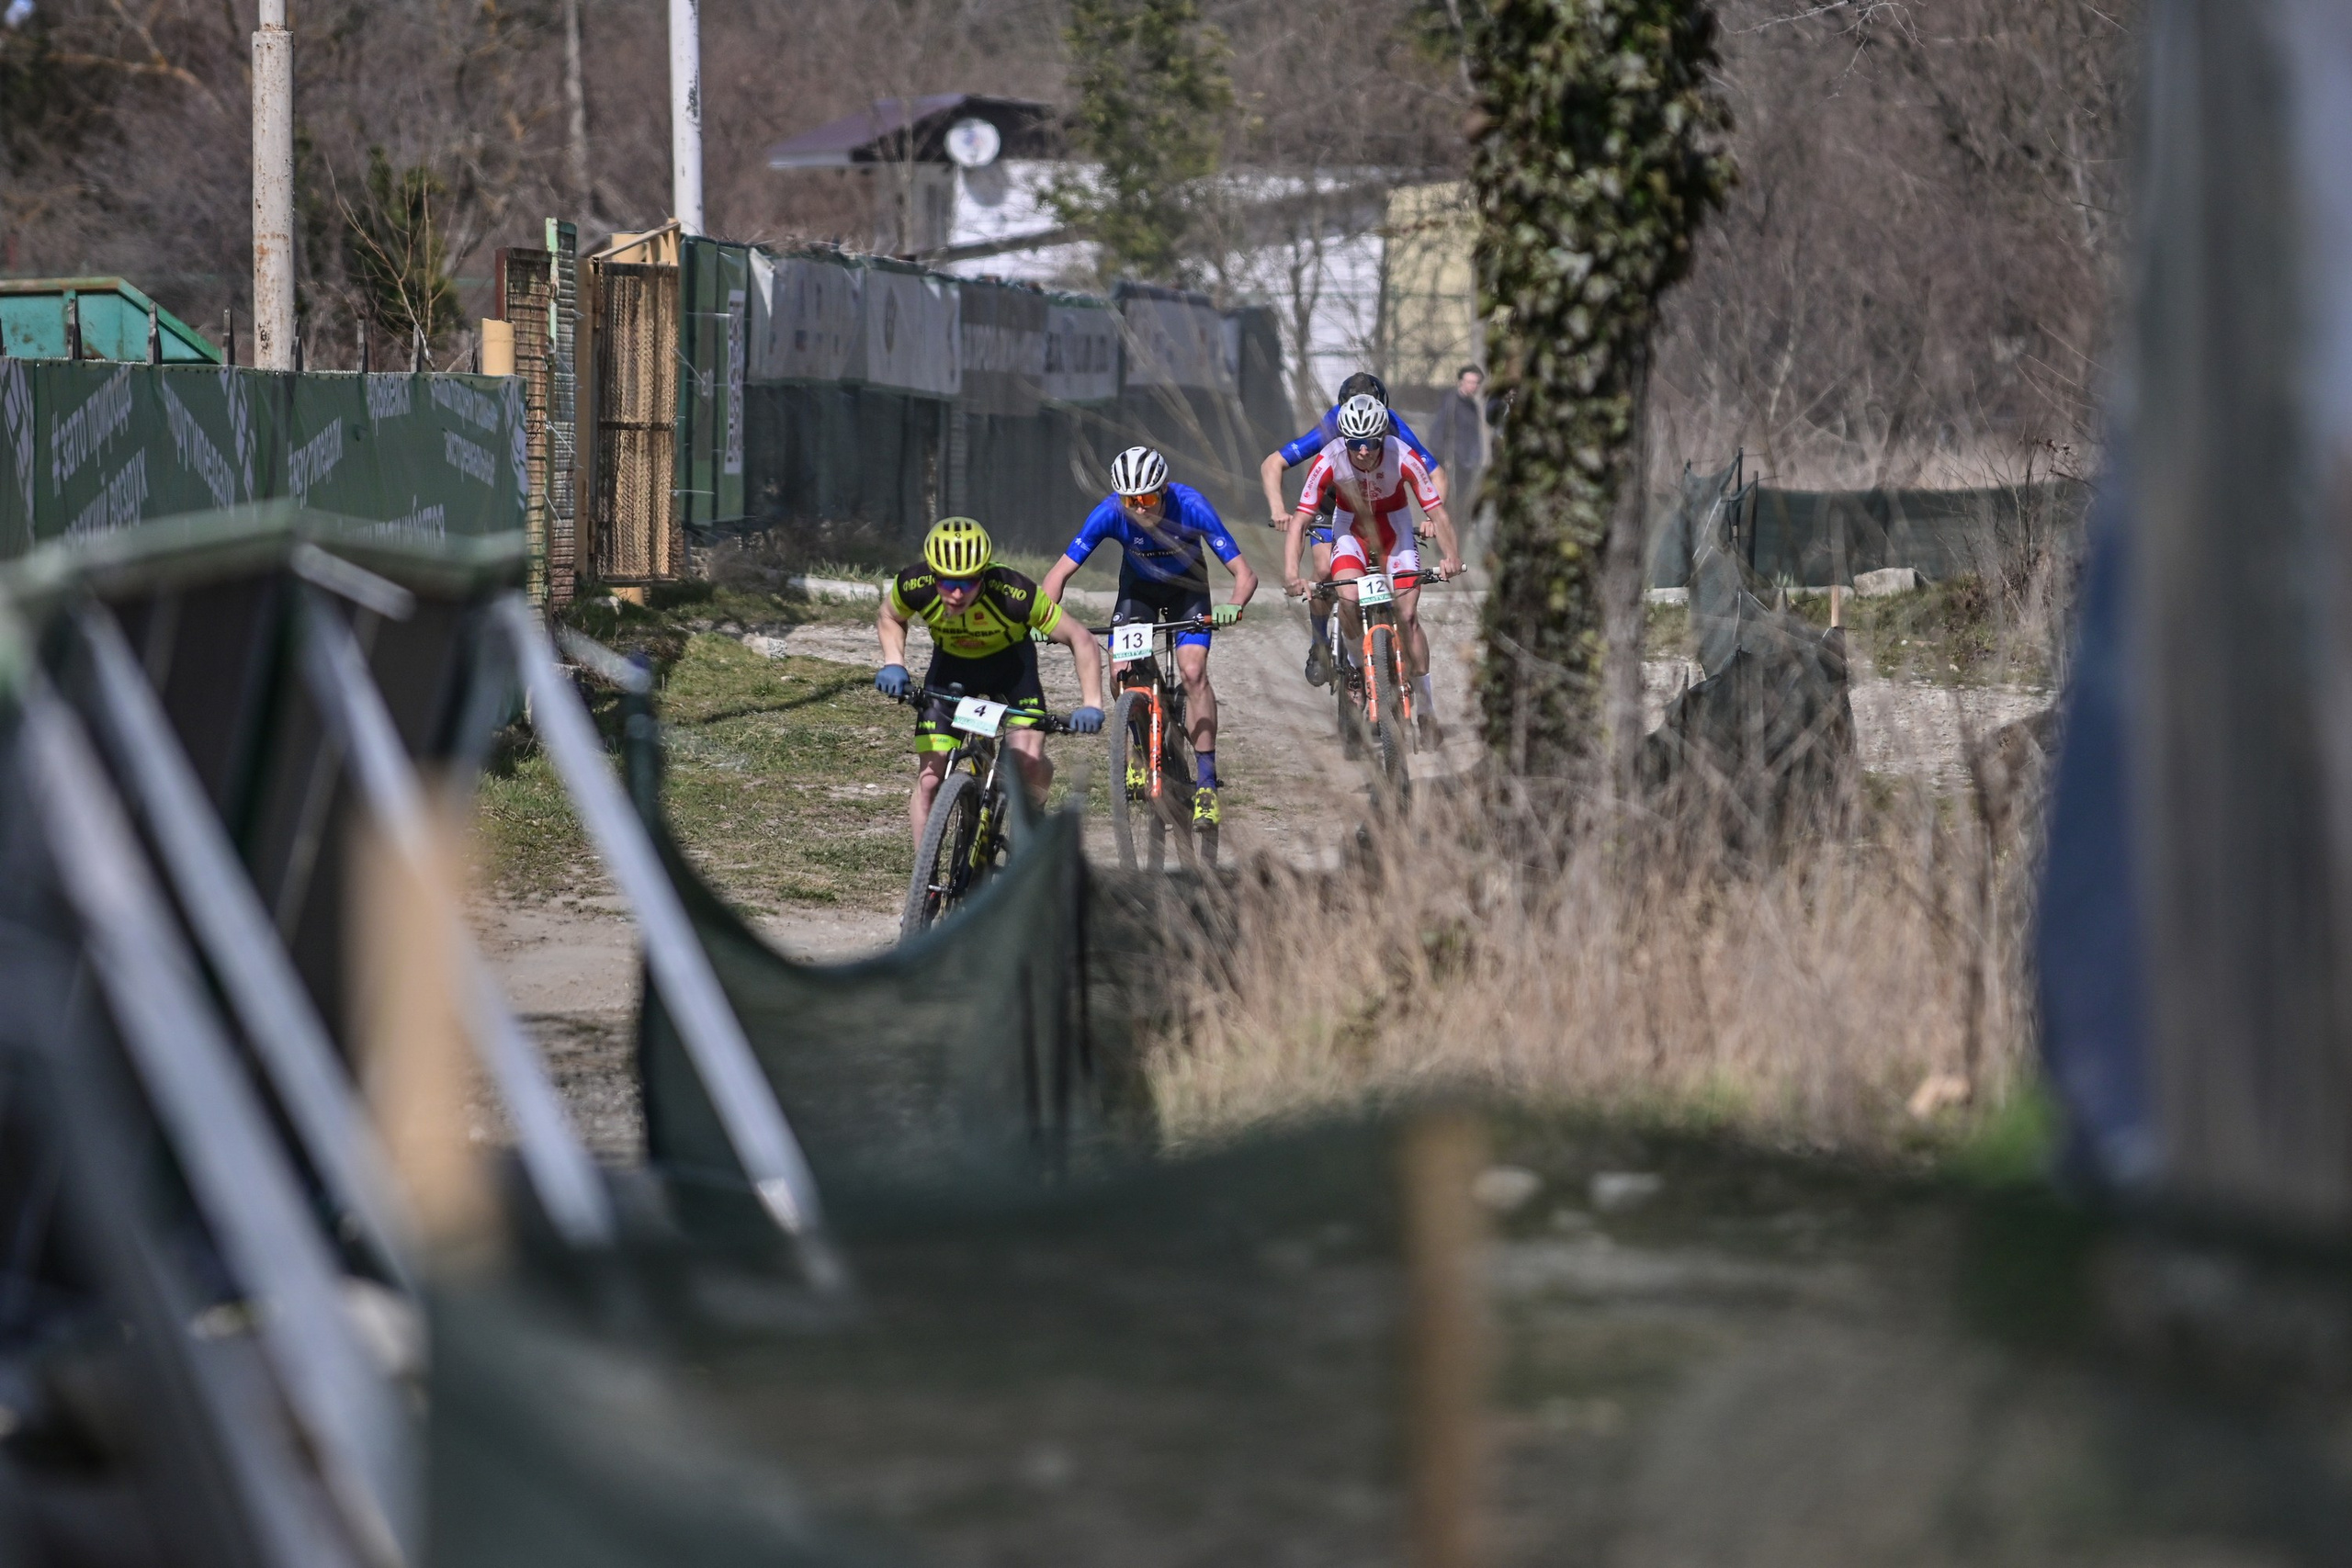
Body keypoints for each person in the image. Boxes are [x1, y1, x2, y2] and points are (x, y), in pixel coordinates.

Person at [1042, 445, 1257, 828]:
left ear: (1164, 490)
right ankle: (1141, 748)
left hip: (1188, 592)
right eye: (1130, 500)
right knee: (1119, 670)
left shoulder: (1192, 506)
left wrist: (1235, 604)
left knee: (1193, 673)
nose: (1138, 508)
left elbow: (1245, 574)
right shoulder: (1109, 513)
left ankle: (1206, 785)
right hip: (1138, 592)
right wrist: (1043, 618)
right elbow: (1058, 575)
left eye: (1146, 498)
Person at [876, 515, 1105, 845]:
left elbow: (1080, 638)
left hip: (1011, 670)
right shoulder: (914, 584)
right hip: (952, 671)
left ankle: (1033, 813)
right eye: (945, 581)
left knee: (1027, 761)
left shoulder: (1015, 593)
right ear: (932, 574)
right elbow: (890, 616)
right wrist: (894, 663)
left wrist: (1092, 703)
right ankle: (923, 887)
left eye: (967, 583)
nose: (955, 593)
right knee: (929, 780)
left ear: (982, 575)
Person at [1281, 394, 1464, 744]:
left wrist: (1450, 555)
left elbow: (1437, 512)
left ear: (1383, 436)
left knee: (1408, 616)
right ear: (1344, 440)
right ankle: (1355, 667)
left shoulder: (1402, 454)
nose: (1363, 451)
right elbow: (1300, 520)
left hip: (1394, 528)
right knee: (1347, 599)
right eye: (1355, 443)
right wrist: (1292, 572)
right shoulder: (1330, 458)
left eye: (1371, 443)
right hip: (1351, 530)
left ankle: (1426, 709)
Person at [1257, 372, 1442, 686]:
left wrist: (1433, 517)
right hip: (1333, 507)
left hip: (1381, 510)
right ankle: (1320, 644)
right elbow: (1273, 463)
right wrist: (1278, 510)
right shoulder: (1333, 424)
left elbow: (1435, 472)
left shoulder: (1392, 425)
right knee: (1325, 570)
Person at [1427, 365, 1488, 527]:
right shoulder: (1451, 403)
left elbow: (1474, 437)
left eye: (1476, 383)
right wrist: (1443, 459)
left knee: (1464, 506)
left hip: (1467, 465)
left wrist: (1477, 458)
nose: (1472, 386)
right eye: (1469, 382)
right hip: (1452, 465)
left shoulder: (1472, 406)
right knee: (1449, 507)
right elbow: (1437, 433)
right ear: (1460, 382)